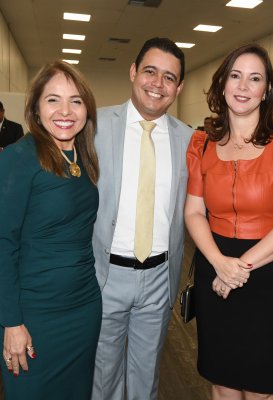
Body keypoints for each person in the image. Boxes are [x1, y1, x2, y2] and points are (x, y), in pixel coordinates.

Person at [185, 43, 273, 400]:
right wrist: (219, 264)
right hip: (215, 264)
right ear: (222, 83)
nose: (243, 87)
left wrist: (238, 268)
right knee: (221, 380)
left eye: (254, 78)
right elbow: (194, 212)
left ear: (266, 90)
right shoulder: (202, 145)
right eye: (235, 76)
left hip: (268, 272)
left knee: (261, 387)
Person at [91, 37, 193, 400]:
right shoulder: (95, 126)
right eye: (150, 71)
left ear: (178, 88)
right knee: (102, 379)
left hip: (159, 279)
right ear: (133, 72)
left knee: (145, 378)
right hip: (105, 277)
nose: (157, 83)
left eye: (169, 77)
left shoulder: (190, 141)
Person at [0, 60, 101, 399]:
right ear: (35, 108)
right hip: (33, 315)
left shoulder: (82, 158)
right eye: (52, 99)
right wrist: (11, 323)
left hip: (83, 308)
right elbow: (3, 242)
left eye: (76, 100)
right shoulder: (18, 157)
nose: (65, 110)